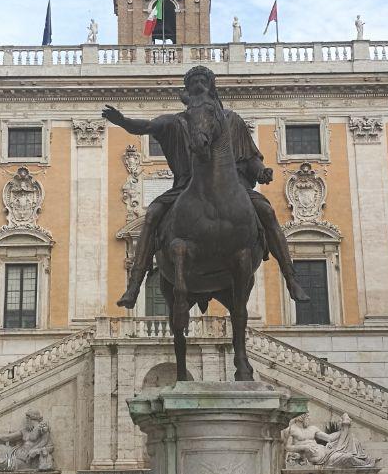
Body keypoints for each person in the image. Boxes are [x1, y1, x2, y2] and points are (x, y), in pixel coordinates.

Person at [101, 66, 309, 308]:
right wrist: (123, 121)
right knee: (153, 215)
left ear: (211, 87)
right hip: (186, 187)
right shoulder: (179, 122)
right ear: (187, 90)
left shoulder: (232, 120)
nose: (198, 85)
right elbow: (146, 127)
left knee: (267, 212)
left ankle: (291, 279)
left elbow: (251, 156)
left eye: (203, 80)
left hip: (232, 190)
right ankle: (135, 285)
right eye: (193, 82)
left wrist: (261, 171)